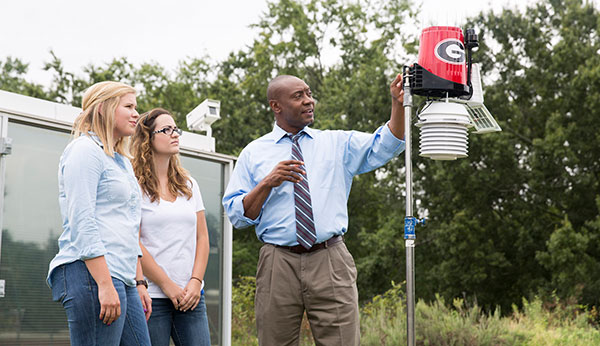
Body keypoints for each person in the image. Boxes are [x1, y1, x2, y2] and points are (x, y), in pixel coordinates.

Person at [222, 74, 406, 345]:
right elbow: (238, 216)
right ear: (276, 106)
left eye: (309, 93)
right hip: (277, 262)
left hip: (330, 257)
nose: (309, 100)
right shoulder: (253, 153)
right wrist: (267, 183)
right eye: (298, 96)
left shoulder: (336, 143)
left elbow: (387, 144)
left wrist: (397, 103)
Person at [47, 81, 152, 346]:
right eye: (128, 106)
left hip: (123, 277)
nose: (135, 114)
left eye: (135, 107)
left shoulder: (121, 162)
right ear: (103, 108)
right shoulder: (84, 151)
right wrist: (104, 284)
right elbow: (83, 221)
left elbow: (129, 226)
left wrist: (138, 281)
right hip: (91, 273)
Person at [130, 108, 211, 346]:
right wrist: (167, 286)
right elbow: (133, 242)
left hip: (192, 296)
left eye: (176, 129)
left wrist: (196, 281)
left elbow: (203, 238)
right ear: (148, 138)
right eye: (166, 130)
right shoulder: (134, 185)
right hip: (153, 297)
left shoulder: (189, 184)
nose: (174, 134)